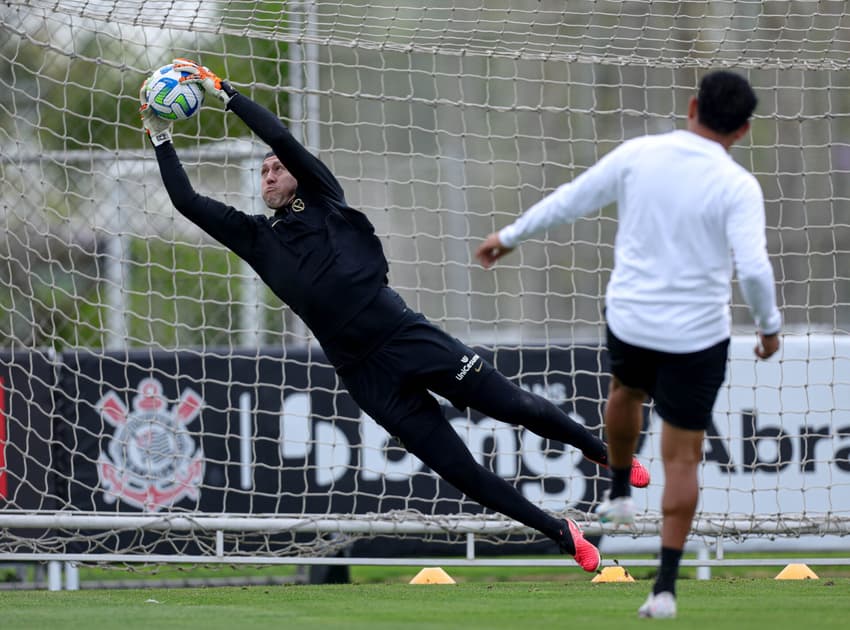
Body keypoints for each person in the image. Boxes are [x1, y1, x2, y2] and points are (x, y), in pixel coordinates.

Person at [140, 59, 651, 573]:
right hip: (367, 376)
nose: (270, 174)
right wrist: (160, 137)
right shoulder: (255, 237)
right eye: (263, 171)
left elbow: (279, 134)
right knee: (461, 472)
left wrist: (224, 93)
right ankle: (561, 532)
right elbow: (186, 200)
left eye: (277, 167)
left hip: (407, 336)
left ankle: (601, 451)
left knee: (515, 406)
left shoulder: (324, 198)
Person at [476, 70, 781, 617]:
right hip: (697, 334)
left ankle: (618, 493)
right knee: (683, 457)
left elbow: (572, 199)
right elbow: (755, 270)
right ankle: (663, 588)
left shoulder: (641, 153)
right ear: (744, 131)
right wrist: (769, 327)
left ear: (692, 107)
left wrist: (510, 235)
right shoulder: (739, 187)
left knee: (625, 392)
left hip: (634, 319)